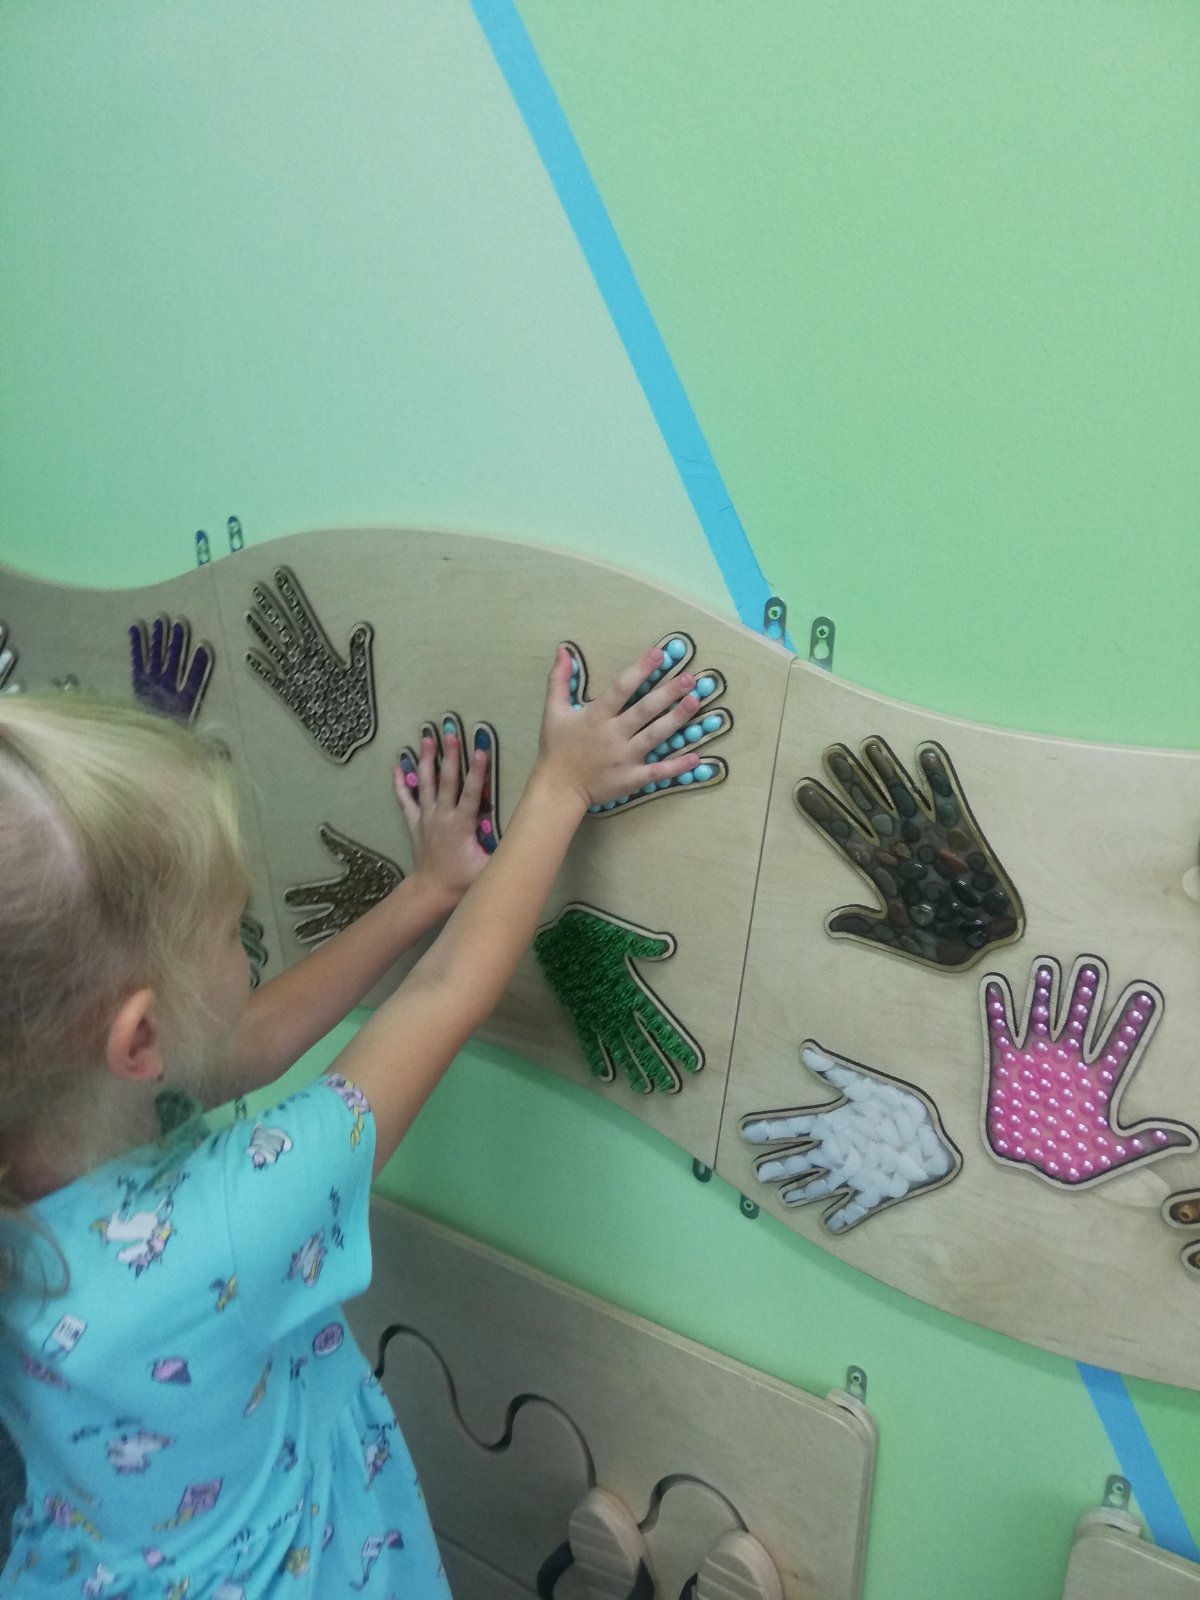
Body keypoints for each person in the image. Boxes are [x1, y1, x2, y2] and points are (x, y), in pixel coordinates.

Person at [0, 643, 702, 1597]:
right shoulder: (231, 1222)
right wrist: (564, 783)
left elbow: (242, 1044)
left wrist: (427, 891)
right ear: (141, 1038)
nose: (244, 941)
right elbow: (446, 993)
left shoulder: (48, 1126)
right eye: (234, 926)